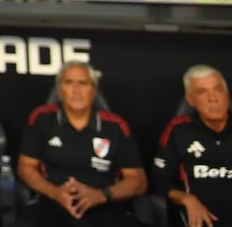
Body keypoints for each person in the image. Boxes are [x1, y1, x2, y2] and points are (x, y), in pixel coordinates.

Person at [17, 62, 147, 226]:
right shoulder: (41, 118)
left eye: (83, 83)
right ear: (59, 89)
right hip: (52, 202)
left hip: (103, 204)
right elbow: (25, 167)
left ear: (93, 90)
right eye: (69, 82)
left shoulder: (115, 126)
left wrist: (100, 195)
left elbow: (138, 181)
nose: (76, 90)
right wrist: (54, 192)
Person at [155, 65, 232, 227]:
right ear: (190, 99)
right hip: (201, 216)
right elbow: (160, 180)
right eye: (202, 92)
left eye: (218, 90)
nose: (213, 98)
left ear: (227, 94)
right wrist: (187, 199)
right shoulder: (179, 130)